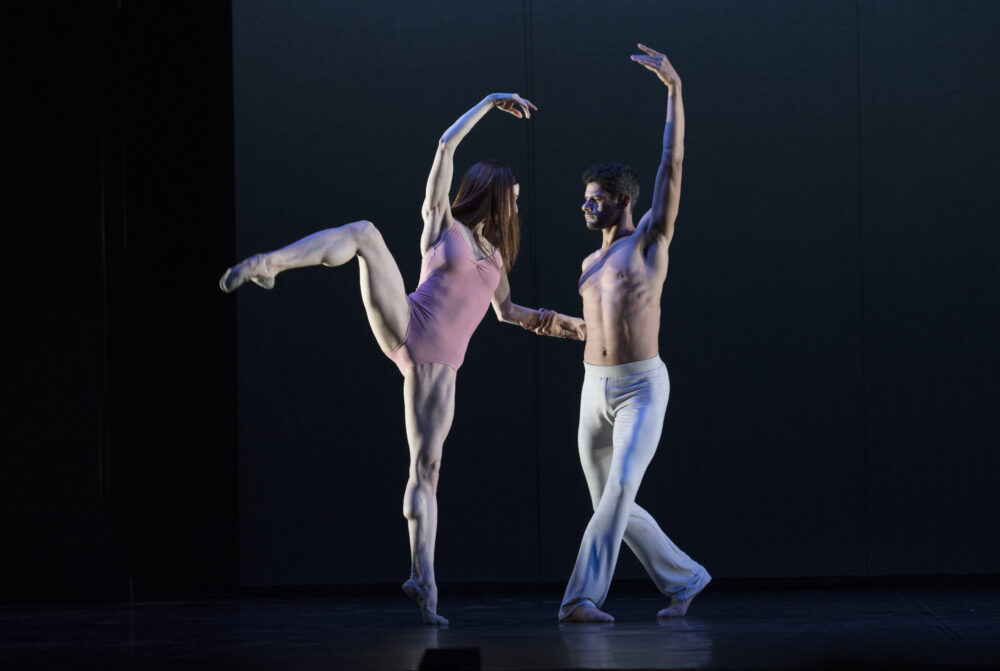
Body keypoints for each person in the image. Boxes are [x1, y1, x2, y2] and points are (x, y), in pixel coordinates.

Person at [219, 93, 581, 624]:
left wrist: (571, 327)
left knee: (427, 469)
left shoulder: (496, 260)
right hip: (409, 322)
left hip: (440, 365)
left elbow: (508, 313)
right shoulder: (443, 225)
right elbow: (445, 146)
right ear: (493, 194)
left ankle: (423, 580)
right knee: (365, 233)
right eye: (515, 198)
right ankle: (270, 264)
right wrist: (487, 103)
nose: (517, 208)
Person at [537, 44, 711, 622]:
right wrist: (554, 324)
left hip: (641, 388)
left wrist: (674, 90)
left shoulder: (651, 242)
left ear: (623, 202)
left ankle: (580, 599)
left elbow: (673, 164)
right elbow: (594, 324)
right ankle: (685, 578)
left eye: (595, 200)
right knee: (610, 502)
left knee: (617, 494)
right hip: (594, 389)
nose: (585, 206)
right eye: (585, 199)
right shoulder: (588, 264)